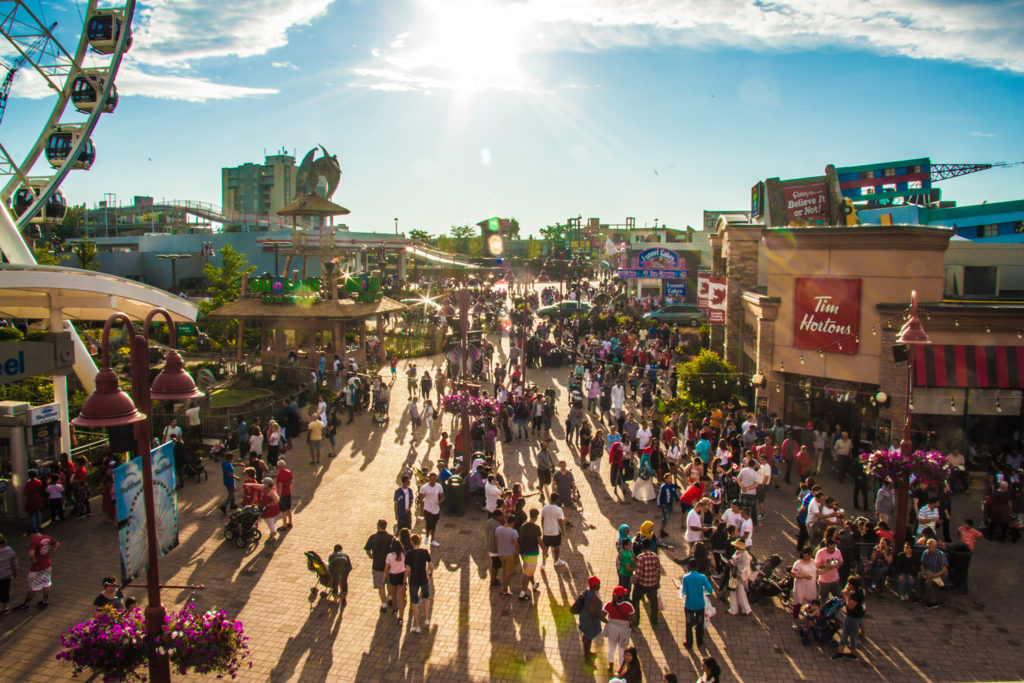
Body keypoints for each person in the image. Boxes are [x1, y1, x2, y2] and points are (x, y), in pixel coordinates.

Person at [15, 528, 58, 610]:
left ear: (32, 534)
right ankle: (45, 601)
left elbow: (31, 554)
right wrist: (49, 553)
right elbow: (56, 544)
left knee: (32, 586)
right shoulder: (47, 537)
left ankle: (26, 603)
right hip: (47, 564)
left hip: (37, 567)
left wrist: (33, 560)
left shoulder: (34, 542)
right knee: (46, 583)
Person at [680, 560, 715, 649]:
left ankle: (689, 643)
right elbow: (710, 590)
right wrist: (702, 591)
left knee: (689, 624)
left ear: (688, 567)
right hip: (700, 605)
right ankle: (699, 641)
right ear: (697, 567)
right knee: (700, 624)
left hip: (689, 605)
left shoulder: (686, 578)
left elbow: (684, 592)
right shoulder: (703, 577)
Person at [602, 585, 637, 673]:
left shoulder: (609, 604)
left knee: (611, 648)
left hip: (612, 628)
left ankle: (610, 667)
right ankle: (621, 669)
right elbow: (634, 619)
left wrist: (608, 623)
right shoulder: (628, 606)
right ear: (623, 596)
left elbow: (601, 616)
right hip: (624, 629)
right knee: (622, 649)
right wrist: (630, 626)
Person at [832, 576, 866, 661]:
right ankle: (841, 652)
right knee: (845, 634)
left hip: (853, 617)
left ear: (853, 585)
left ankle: (852, 653)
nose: (848, 585)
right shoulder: (861, 590)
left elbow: (850, 606)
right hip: (857, 616)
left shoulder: (856, 594)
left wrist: (847, 597)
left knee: (851, 636)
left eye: (850, 584)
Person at [364, 519, 394, 612]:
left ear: (378, 526)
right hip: (388, 566)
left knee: (381, 586)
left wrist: (371, 556)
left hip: (377, 566)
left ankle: (384, 604)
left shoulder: (373, 537)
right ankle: (390, 597)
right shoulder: (390, 537)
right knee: (389, 583)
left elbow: (367, 550)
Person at [405, 534, 433, 632]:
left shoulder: (409, 554)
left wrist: (404, 580)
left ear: (412, 542)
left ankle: (417, 625)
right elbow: (431, 566)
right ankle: (426, 619)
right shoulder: (425, 552)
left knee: (415, 603)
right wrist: (430, 574)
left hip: (414, 580)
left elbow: (407, 570)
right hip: (423, 578)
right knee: (426, 598)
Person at [631, 539, 661, 627]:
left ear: (642, 547)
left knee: (635, 601)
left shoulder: (641, 557)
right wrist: (658, 581)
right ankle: (654, 620)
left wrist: (634, 581)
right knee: (654, 602)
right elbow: (658, 570)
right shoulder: (655, 556)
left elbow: (638, 573)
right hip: (653, 584)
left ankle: (636, 621)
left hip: (642, 584)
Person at [576, 575, 602, 665]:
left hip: (583, 617)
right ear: (594, 586)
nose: (600, 586)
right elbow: (592, 611)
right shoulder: (594, 597)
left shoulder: (586, 592)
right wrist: (596, 618)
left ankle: (587, 652)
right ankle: (587, 658)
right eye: (598, 584)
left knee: (586, 636)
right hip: (589, 621)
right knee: (588, 638)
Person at [518, 508, 543, 600]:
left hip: (524, 551)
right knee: (528, 573)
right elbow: (539, 541)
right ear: (536, 517)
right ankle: (522, 593)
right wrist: (545, 550)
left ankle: (534, 585)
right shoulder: (536, 528)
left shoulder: (523, 526)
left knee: (529, 569)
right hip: (532, 553)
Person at [495, 513, 520, 597]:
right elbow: (516, 545)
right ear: (513, 522)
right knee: (508, 573)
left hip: (501, 553)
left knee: (504, 571)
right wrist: (517, 557)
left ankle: (504, 588)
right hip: (509, 554)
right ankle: (504, 591)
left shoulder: (498, 529)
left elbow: (497, 542)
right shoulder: (513, 532)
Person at [789, 547, 818, 617]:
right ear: (803, 554)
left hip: (811, 586)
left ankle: (809, 617)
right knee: (798, 602)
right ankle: (795, 617)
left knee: (811, 602)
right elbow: (792, 574)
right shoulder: (798, 563)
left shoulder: (813, 561)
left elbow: (816, 571)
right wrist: (804, 576)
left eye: (811, 555)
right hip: (801, 586)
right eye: (808, 555)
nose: (809, 557)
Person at [919, 538, 948, 608]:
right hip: (928, 572)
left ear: (935, 546)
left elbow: (944, 570)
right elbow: (922, 564)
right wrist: (923, 572)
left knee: (928, 582)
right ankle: (918, 597)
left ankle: (933, 602)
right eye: (927, 544)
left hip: (939, 575)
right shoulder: (926, 553)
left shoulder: (940, 555)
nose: (928, 546)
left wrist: (932, 576)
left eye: (930, 544)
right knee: (918, 577)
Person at [726, 538, 752, 616]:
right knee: (739, 593)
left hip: (738, 576)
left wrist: (734, 564)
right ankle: (745, 609)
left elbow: (743, 566)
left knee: (737, 592)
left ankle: (736, 609)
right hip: (736, 575)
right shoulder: (739, 552)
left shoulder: (744, 554)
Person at [816, 531, 844, 601]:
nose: (832, 550)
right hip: (824, 580)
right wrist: (827, 566)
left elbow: (841, 561)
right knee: (823, 598)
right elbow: (817, 565)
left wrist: (838, 565)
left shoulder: (837, 551)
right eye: (830, 549)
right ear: (826, 547)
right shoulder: (820, 553)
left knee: (839, 597)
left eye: (833, 548)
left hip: (835, 579)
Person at [384, 539, 407, 622]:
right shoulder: (403, 555)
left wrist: (383, 579)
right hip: (401, 575)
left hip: (393, 575)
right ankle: (401, 617)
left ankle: (394, 609)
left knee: (393, 594)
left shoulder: (389, 556)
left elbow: (386, 568)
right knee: (401, 598)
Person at [541, 493, 566, 567]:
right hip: (555, 531)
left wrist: (543, 528)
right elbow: (560, 521)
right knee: (556, 546)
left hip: (546, 531)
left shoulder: (545, 508)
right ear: (557, 500)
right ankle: (556, 560)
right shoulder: (558, 509)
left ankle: (543, 563)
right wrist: (563, 531)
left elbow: (542, 519)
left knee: (545, 547)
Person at [420, 471, 445, 547]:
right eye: (432, 478)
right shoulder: (424, 487)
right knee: (428, 524)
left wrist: (440, 501)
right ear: (429, 479)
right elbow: (421, 499)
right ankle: (427, 536)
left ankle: (432, 540)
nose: (433, 480)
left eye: (435, 479)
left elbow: (443, 496)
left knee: (434, 525)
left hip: (436, 509)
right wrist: (421, 510)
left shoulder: (439, 486)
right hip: (427, 508)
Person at [0, 533, 18, 614]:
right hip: (6, 575)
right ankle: (4, 608)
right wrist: (15, 572)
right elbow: (14, 563)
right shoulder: (9, 550)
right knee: (5, 591)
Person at [259, 478, 280, 543]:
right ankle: (273, 532)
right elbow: (258, 486)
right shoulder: (266, 489)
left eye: (264, 484)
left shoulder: (271, 491)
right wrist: (250, 484)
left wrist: (268, 505)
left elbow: (276, 500)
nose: (262, 485)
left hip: (269, 510)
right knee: (270, 522)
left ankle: (272, 534)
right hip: (267, 509)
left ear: (267, 485)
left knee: (270, 522)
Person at [275, 458, 294, 529]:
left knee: (283, 511)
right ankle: (290, 522)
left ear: (279, 466)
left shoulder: (279, 475)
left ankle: (284, 525)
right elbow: (292, 481)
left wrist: (278, 496)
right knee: (289, 509)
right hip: (288, 493)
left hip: (283, 495)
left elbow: (280, 487)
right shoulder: (289, 472)